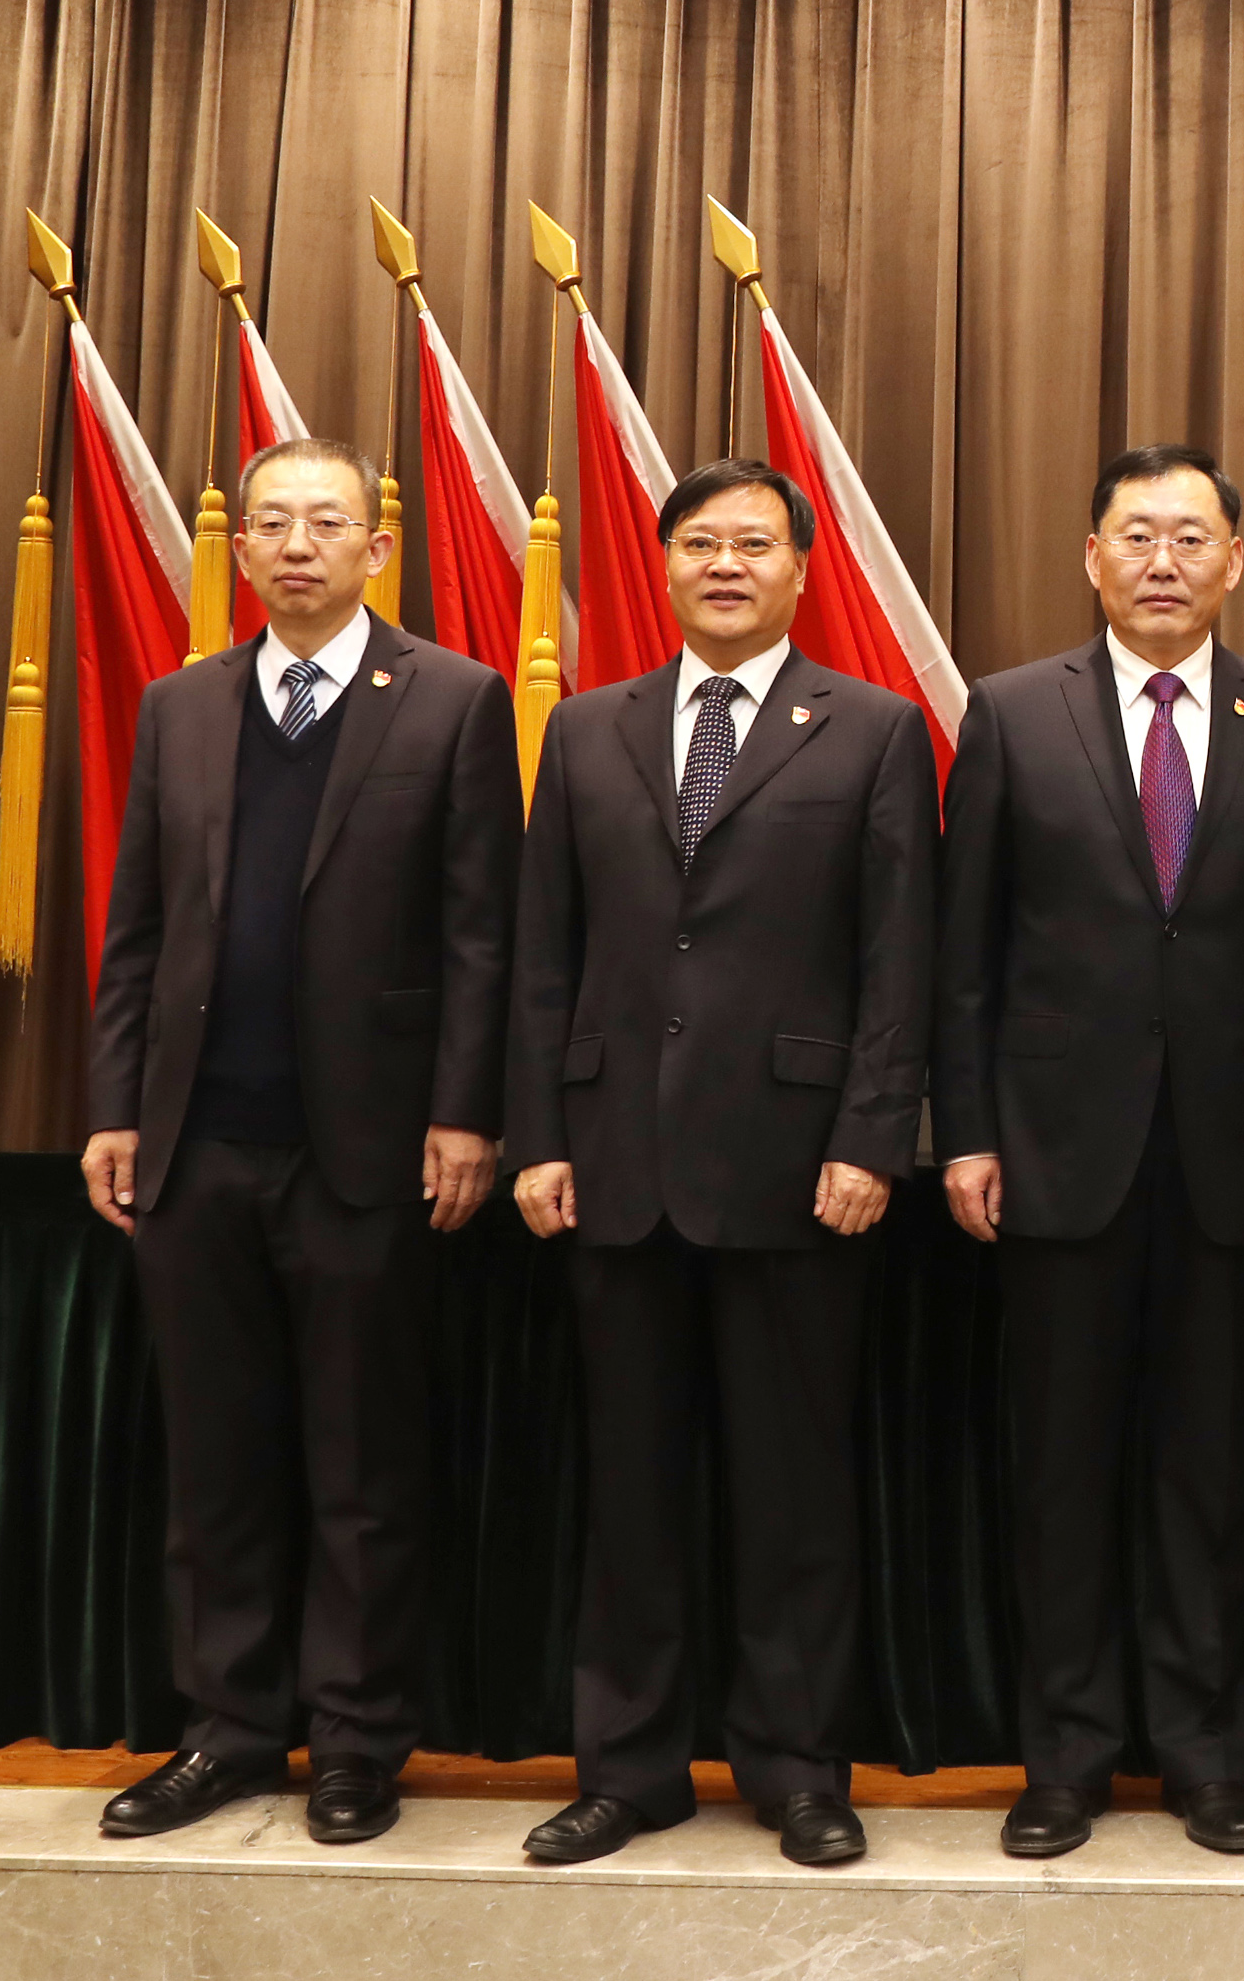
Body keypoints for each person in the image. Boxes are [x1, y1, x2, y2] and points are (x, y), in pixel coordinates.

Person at [80, 436, 519, 1847]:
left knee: (360, 1467)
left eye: (325, 523)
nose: (295, 547)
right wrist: (115, 1106)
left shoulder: (453, 698)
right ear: (242, 548)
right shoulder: (181, 705)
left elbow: (481, 933)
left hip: (370, 1151)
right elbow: (138, 927)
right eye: (271, 523)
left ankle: (356, 1742)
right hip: (196, 1143)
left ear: (376, 549)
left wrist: (467, 1111)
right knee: (217, 1464)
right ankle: (225, 1731)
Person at [506, 458, 940, 1870]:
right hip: (614, 1162)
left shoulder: (872, 728)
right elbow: (542, 953)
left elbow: (900, 960)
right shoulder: (587, 728)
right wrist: (538, 1134)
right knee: (629, 1489)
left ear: (801, 569)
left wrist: (873, 1136)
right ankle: (627, 1770)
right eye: (700, 543)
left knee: (793, 1489)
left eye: (754, 542)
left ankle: (799, 1767)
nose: (726, 564)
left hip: (798, 1169)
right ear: (665, 565)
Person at [934, 443, 1244, 1861]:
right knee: (1062, 1471)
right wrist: (966, 1130)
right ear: (1092, 557)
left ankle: (1207, 1757)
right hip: (1054, 1151)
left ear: (1236, 560)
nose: (1163, 561)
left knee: (1209, 1474)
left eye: (1191, 537)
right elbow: (965, 951)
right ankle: (1065, 1760)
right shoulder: (1010, 712)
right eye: (1136, 535)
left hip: (1238, 1152)